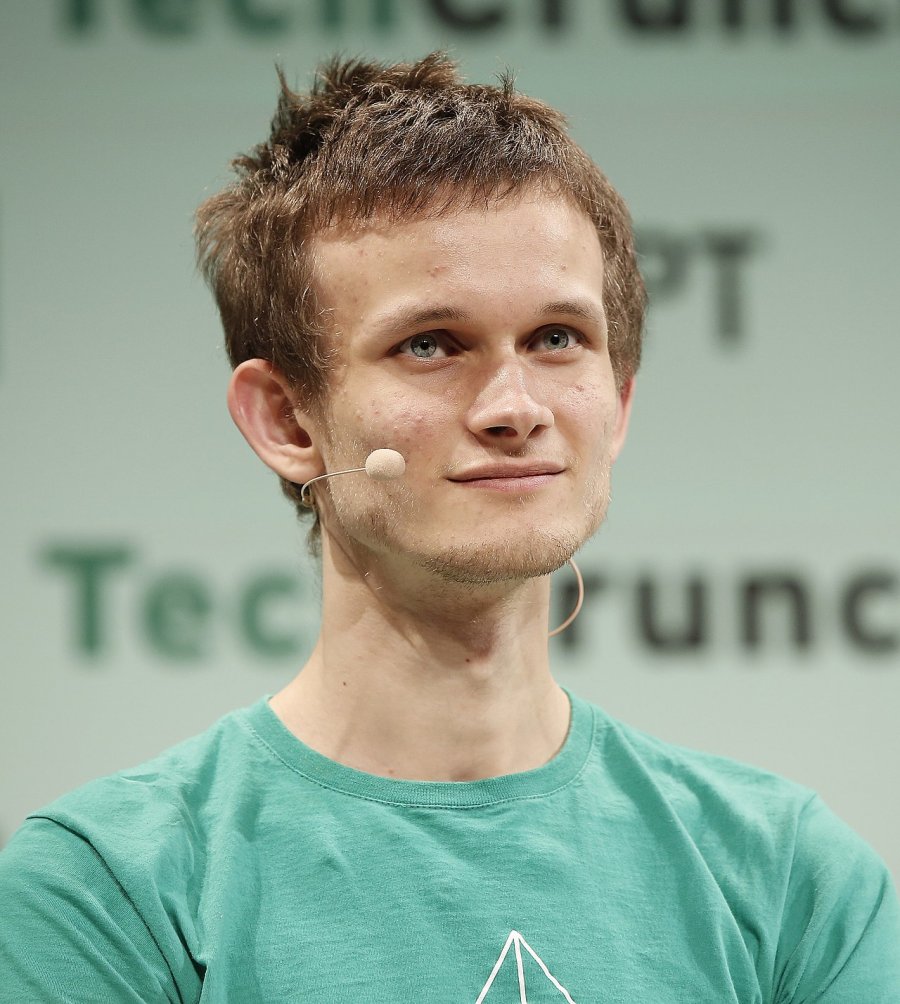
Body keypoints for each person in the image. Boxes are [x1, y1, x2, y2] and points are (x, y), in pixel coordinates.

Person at [1, 53, 897, 1003]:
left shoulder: (794, 881)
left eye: (558, 339)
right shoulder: (107, 892)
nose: (515, 407)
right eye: (430, 344)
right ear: (288, 422)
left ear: (619, 404)